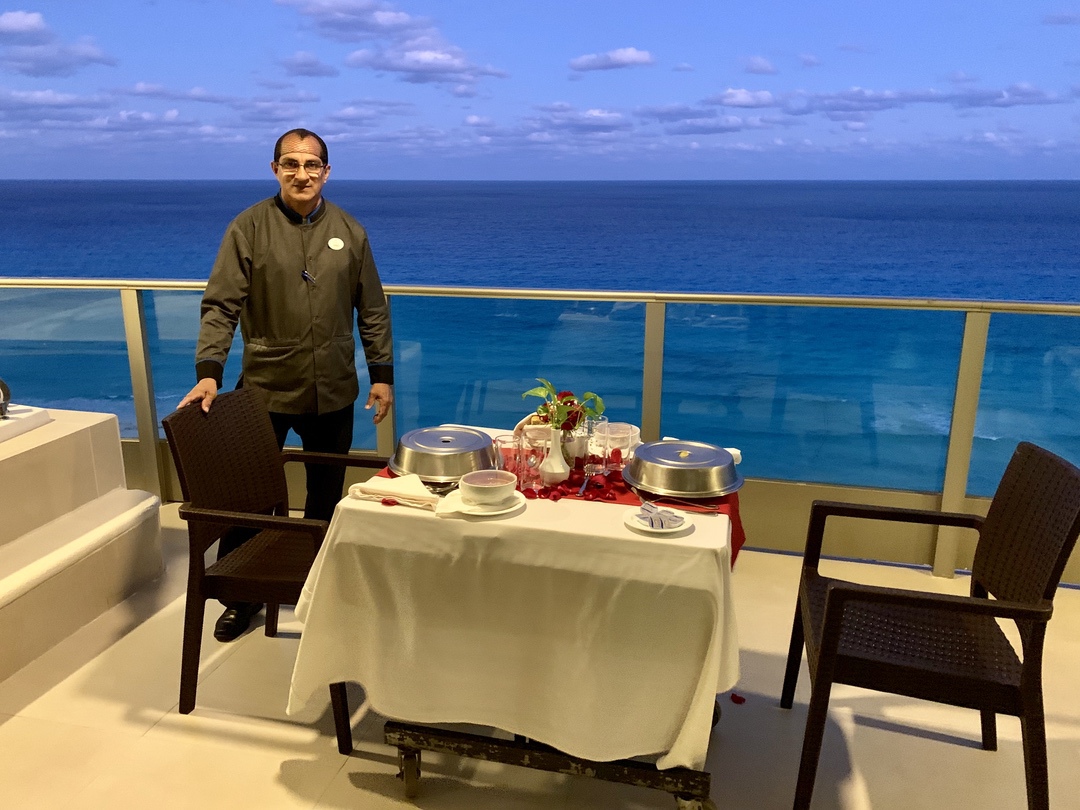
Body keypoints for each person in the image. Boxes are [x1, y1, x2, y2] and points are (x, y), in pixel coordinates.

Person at [179, 128, 394, 642]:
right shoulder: (248, 227)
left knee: (326, 494)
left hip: (335, 390)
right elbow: (221, 305)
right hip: (265, 389)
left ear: (326, 171)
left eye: (312, 164)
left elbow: (373, 310)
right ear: (275, 168)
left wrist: (382, 376)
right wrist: (208, 372)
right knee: (249, 498)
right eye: (291, 164)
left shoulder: (350, 230)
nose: (302, 173)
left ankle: (317, 586)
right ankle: (241, 595)